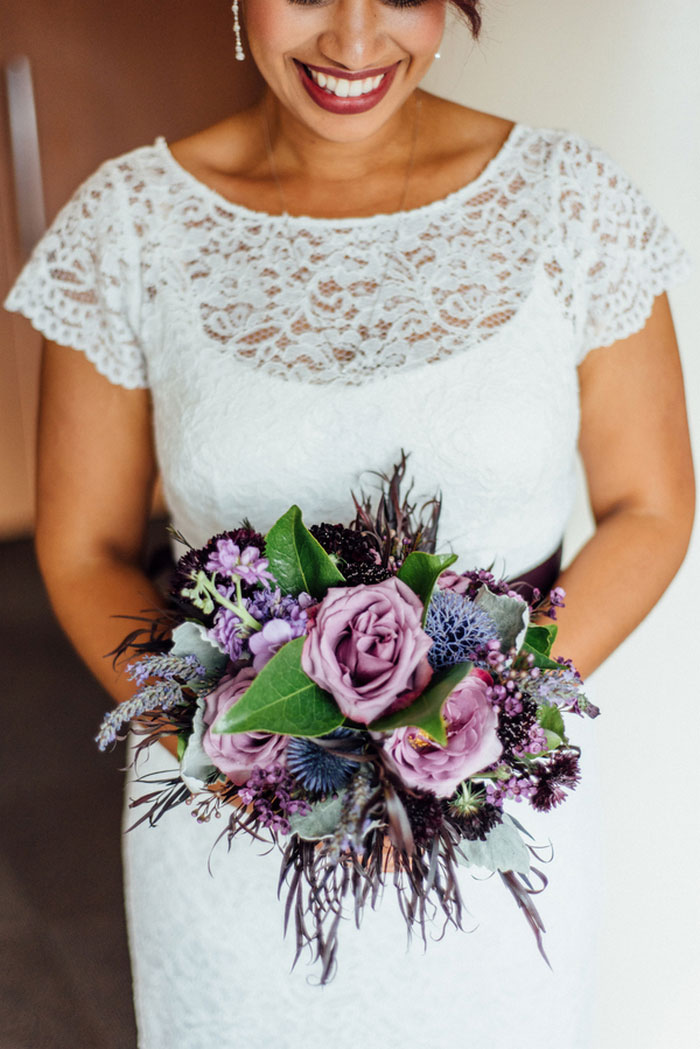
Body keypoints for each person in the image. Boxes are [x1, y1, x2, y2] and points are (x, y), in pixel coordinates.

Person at [4, 1, 694, 1046]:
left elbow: (652, 504)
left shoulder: (569, 199)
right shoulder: (130, 222)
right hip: (230, 826)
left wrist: (484, 730)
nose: (355, 37)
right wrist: (241, 756)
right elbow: (82, 547)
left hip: (495, 827)